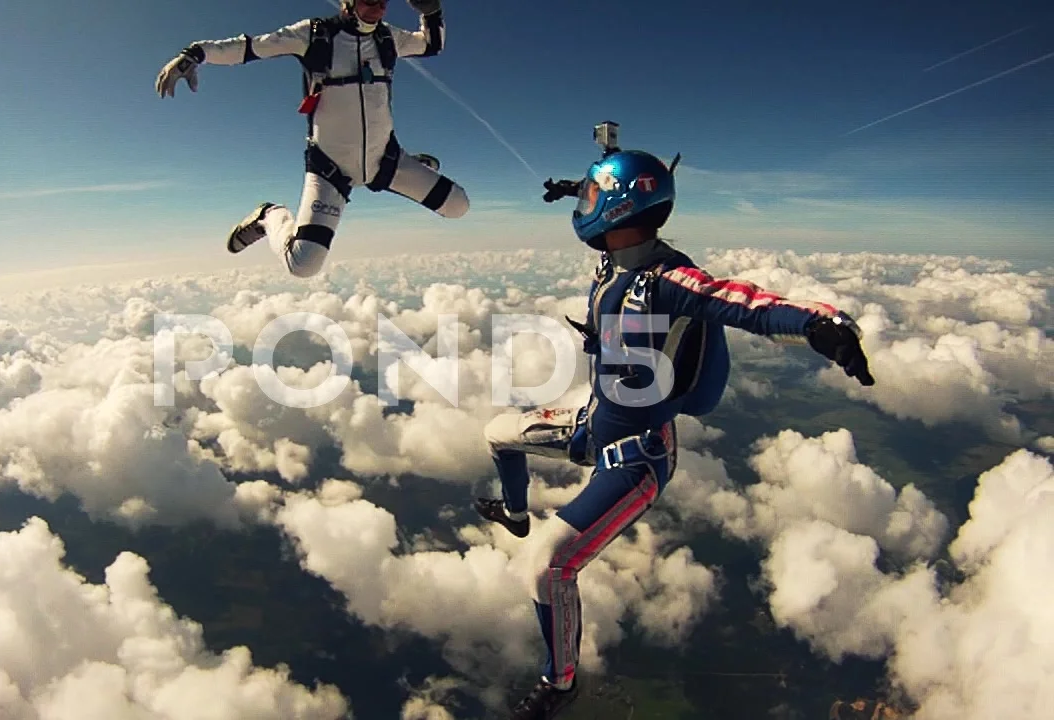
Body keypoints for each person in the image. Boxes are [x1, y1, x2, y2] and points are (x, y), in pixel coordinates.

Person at [475, 126, 877, 720]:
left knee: (547, 566)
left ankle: (560, 684)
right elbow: (615, 187)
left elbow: (742, 301)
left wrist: (822, 324)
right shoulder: (617, 262)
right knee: (496, 433)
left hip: (636, 459)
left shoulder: (667, 280)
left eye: (592, 198)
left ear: (616, 207)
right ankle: (514, 513)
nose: (584, 207)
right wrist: (577, 186)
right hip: (594, 423)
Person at [154, 0, 470, 278]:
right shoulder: (315, 34)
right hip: (329, 170)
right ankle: (268, 215)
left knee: (458, 206)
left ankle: (411, 164)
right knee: (303, 265)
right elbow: (251, 47)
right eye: (371, 1)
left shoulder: (387, 37)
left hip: (385, 160)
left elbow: (430, 45)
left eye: (384, 2)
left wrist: (432, 13)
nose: (379, 9)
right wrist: (195, 54)